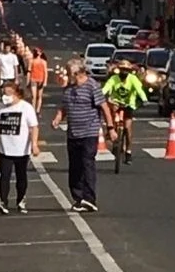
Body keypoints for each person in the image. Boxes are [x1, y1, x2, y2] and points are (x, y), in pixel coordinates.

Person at [52, 59, 118, 212]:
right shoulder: (68, 88)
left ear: (77, 73)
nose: (67, 76)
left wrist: (111, 128)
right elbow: (64, 106)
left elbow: (104, 107)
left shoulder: (92, 86)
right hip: (73, 133)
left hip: (89, 132)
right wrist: (57, 118)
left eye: (69, 73)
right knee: (74, 166)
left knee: (87, 163)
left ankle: (89, 198)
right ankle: (78, 197)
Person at [0, 82, 40, 214]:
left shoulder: (26, 108)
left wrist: (34, 144)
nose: (5, 96)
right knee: (4, 175)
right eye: (3, 93)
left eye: (8, 94)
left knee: (21, 176)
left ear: (17, 94)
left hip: (21, 150)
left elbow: (33, 127)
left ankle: (21, 200)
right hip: (5, 149)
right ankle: (3, 201)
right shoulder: (0, 108)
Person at [101, 59, 149, 165]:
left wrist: (144, 99)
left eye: (127, 70)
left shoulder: (133, 79)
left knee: (127, 128)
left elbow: (139, 90)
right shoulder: (114, 79)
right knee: (112, 115)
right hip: (116, 103)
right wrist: (99, 96)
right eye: (122, 70)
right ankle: (112, 134)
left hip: (128, 105)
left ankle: (128, 151)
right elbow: (106, 88)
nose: (124, 72)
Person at [28, 47, 49, 112]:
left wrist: (45, 81)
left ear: (40, 53)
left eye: (38, 52)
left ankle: (38, 109)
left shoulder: (43, 62)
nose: (37, 53)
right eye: (35, 52)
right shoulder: (31, 61)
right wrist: (28, 81)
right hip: (33, 79)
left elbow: (45, 72)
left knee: (39, 96)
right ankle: (33, 109)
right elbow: (29, 71)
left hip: (40, 80)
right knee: (33, 96)